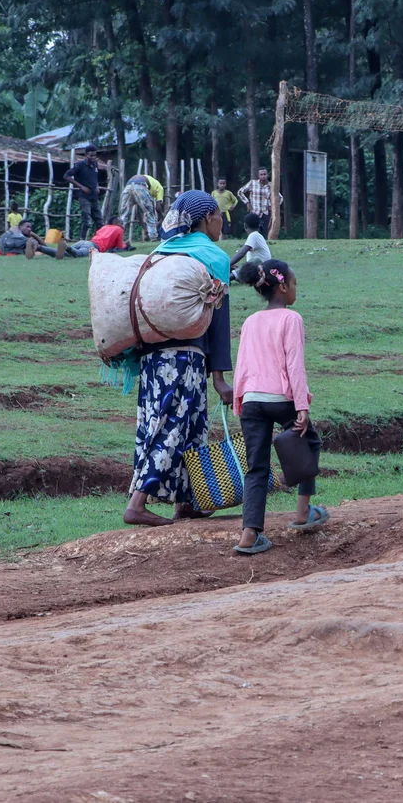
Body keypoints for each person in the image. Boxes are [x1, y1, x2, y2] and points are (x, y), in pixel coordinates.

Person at [122, 190, 233, 527]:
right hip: (185, 357)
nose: (222, 224)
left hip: (152, 357)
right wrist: (220, 378)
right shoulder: (213, 257)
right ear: (208, 217)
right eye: (219, 217)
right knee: (172, 425)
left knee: (186, 425)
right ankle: (137, 503)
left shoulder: (161, 253)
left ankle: (187, 502)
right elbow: (218, 322)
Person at [230, 258, 326, 555]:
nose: (296, 289)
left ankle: (250, 534)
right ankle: (302, 512)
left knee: (256, 467)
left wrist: (240, 404)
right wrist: (302, 406)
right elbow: (294, 366)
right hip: (281, 397)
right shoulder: (291, 319)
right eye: (295, 283)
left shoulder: (250, 321)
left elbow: (243, 365)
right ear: (282, 286)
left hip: (252, 401)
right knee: (308, 442)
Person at [64, 145, 103, 241]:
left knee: (99, 221)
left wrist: (97, 186)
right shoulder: (80, 165)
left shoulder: (95, 165)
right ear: (86, 155)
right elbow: (67, 176)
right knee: (87, 221)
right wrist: (81, 186)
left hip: (94, 197)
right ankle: (82, 240)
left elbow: (94, 177)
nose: (93, 158)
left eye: (94, 155)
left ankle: (98, 240)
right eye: (91, 155)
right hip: (84, 197)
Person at [59, 213, 127, 258]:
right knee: (79, 254)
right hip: (93, 247)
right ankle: (67, 247)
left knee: (61, 253)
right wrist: (126, 245)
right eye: (121, 223)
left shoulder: (105, 227)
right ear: (116, 223)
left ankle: (47, 249)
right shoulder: (119, 229)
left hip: (85, 242)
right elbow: (119, 247)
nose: (123, 226)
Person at [237, 168, 281, 237]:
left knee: (265, 232)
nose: (263, 176)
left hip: (265, 212)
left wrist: (273, 206)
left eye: (264, 174)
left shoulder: (271, 185)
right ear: (258, 176)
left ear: (267, 175)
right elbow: (240, 192)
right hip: (254, 212)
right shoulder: (253, 183)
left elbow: (280, 198)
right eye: (261, 174)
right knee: (254, 232)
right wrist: (247, 203)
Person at [120, 174, 162, 241]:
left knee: (124, 215)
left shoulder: (150, 182)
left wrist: (145, 229)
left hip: (128, 186)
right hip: (140, 186)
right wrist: (162, 217)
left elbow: (138, 212)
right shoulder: (160, 188)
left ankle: (118, 237)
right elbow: (158, 208)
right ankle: (153, 237)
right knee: (149, 213)